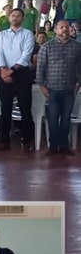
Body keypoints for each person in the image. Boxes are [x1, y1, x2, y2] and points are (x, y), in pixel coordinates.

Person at [36, 20, 81, 156]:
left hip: (69, 88)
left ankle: (64, 146)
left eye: (67, 27)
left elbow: (80, 67)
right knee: (53, 118)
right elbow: (40, 68)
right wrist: (41, 86)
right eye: (61, 27)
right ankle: (53, 146)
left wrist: (79, 82)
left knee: (66, 118)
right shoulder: (47, 47)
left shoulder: (78, 47)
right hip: (52, 89)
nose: (65, 29)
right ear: (55, 30)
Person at [0, 8, 35, 152]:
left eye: (18, 16)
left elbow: (26, 54)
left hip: (22, 74)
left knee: (25, 108)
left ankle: (27, 140)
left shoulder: (28, 34)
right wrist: (4, 70)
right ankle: (4, 141)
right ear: (9, 17)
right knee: (5, 109)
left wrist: (12, 70)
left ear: (22, 19)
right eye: (13, 15)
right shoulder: (2, 35)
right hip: (5, 73)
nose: (15, 18)